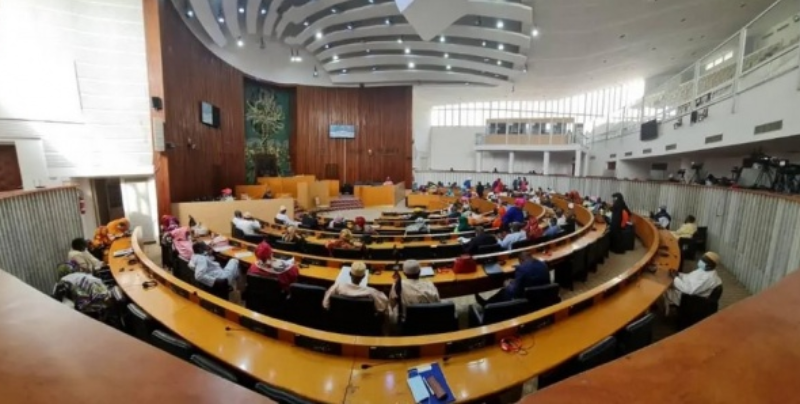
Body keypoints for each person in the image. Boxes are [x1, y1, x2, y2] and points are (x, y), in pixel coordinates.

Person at [475, 252, 550, 306]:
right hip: (543, 297)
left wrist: (508, 285)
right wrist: (515, 281)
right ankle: (487, 303)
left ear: (521, 261)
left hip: (526, 299)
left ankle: (487, 305)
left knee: (504, 291)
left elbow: (516, 292)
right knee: (509, 286)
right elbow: (531, 279)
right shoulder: (543, 265)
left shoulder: (521, 268)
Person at [322, 261, 388, 313]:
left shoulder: (338, 286)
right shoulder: (371, 292)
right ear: (364, 276)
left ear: (350, 274)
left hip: (340, 322)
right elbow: (382, 307)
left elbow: (325, 304)